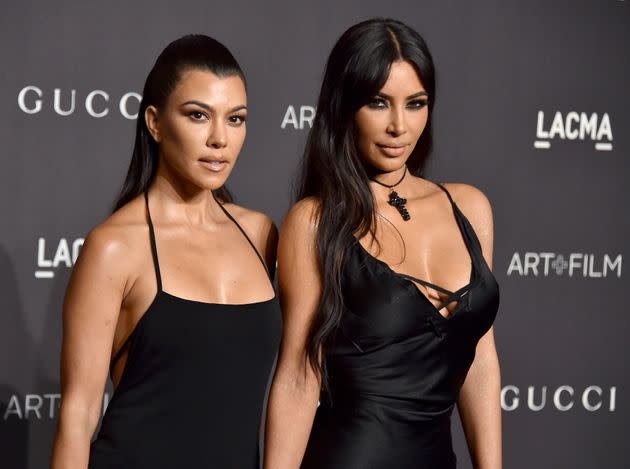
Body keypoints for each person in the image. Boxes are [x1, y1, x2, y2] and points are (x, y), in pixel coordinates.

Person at [264, 18, 501, 469]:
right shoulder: (314, 222)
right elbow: (298, 376)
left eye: (415, 104)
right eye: (378, 103)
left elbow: (482, 362)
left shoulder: (471, 207)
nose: (398, 126)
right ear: (344, 107)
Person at [51, 34, 280, 469]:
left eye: (236, 119)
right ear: (155, 122)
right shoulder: (115, 246)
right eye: (198, 115)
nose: (219, 139)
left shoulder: (262, 234)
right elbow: (77, 417)